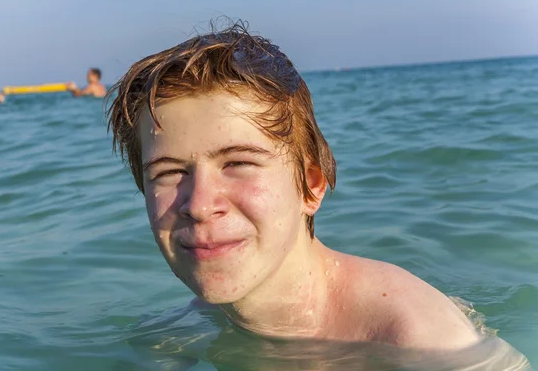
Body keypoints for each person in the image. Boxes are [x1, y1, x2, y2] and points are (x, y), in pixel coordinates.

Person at [105, 23, 481, 350]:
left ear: (310, 186)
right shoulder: (186, 328)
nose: (200, 205)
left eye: (238, 163)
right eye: (169, 173)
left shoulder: (423, 341)